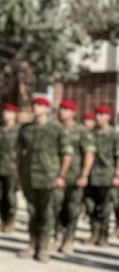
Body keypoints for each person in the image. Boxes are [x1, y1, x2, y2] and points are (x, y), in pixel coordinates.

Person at [16, 96, 72, 262]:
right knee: (32, 213)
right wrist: (19, 173)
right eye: (35, 104)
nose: (37, 107)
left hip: (49, 178)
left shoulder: (57, 129)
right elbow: (19, 153)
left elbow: (67, 154)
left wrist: (61, 175)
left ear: (47, 109)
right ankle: (32, 244)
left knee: (48, 214)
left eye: (41, 105)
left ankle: (44, 247)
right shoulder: (25, 129)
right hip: (30, 177)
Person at [54, 99, 95, 254]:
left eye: (67, 109)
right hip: (56, 176)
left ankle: (69, 238)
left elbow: (89, 154)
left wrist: (84, 175)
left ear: (73, 113)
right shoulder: (54, 129)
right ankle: (57, 237)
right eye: (61, 109)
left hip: (74, 176)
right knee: (56, 208)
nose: (63, 112)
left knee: (72, 209)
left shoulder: (82, 131)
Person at [84, 105, 119, 246]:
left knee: (106, 209)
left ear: (108, 117)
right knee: (90, 207)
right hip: (91, 177)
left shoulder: (114, 135)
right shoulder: (90, 134)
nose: (98, 117)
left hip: (107, 176)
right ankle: (94, 233)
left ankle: (103, 236)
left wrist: (117, 175)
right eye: (97, 114)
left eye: (102, 114)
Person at [0, 103, 20, 233]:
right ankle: (3, 220)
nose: (5, 115)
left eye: (9, 112)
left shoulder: (19, 131)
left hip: (12, 168)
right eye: (4, 112)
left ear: (15, 115)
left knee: (10, 196)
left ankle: (10, 221)